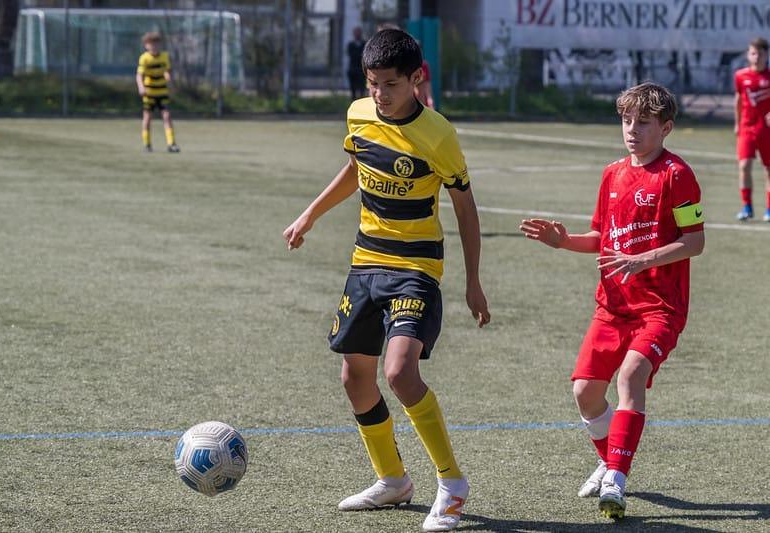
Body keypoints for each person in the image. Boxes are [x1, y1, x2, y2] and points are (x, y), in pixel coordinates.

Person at [283, 28, 490, 532]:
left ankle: (452, 483)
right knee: (355, 378)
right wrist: (311, 214)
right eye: (372, 83)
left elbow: (465, 208)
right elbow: (355, 167)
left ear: (417, 79)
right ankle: (393, 480)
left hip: (416, 268)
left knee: (399, 372)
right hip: (365, 263)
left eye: (390, 84)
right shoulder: (358, 114)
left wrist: (474, 282)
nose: (380, 94)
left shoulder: (438, 135)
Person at [519, 82, 705, 519]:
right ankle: (608, 460)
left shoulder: (677, 175)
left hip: (660, 307)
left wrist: (644, 260)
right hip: (613, 306)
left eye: (643, 122)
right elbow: (603, 239)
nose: (632, 130)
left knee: (631, 376)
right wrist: (563, 242)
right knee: (585, 392)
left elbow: (694, 241)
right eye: (626, 120)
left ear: (666, 128)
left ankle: (616, 483)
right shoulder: (612, 174)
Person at [734, 37, 770, 221]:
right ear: (748, 55)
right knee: (744, 165)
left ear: (766, 55)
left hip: (767, 130)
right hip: (747, 127)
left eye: (760, 53)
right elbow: (739, 100)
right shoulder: (741, 76)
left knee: (768, 169)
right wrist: (737, 122)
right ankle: (747, 207)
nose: (756, 57)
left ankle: (769, 209)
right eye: (753, 53)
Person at [136, 32, 180, 153]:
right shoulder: (144, 58)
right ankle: (147, 144)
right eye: (151, 44)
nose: (154, 47)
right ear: (146, 45)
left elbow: (167, 71)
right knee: (147, 117)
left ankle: (171, 144)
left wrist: (169, 81)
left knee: (167, 116)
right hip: (149, 92)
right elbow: (140, 75)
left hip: (162, 91)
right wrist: (141, 87)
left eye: (156, 44)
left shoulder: (164, 56)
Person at [346, 26, 366, 100]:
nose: (357, 34)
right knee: (353, 89)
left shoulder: (365, 44)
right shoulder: (351, 44)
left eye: (358, 32)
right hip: (353, 70)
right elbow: (352, 55)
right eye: (356, 33)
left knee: (362, 89)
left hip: (361, 70)